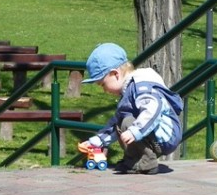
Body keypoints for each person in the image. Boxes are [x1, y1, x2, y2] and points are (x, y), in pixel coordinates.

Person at [78, 43, 183, 174]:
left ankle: (146, 163)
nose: (104, 90)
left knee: (126, 122)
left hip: (166, 136)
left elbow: (153, 109)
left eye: (103, 84)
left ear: (115, 74)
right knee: (122, 120)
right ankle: (134, 160)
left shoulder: (141, 86)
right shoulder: (128, 91)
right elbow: (115, 123)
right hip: (155, 134)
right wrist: (98, 141)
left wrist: (135, 131)